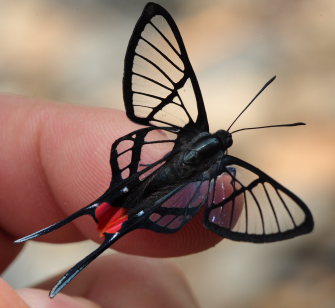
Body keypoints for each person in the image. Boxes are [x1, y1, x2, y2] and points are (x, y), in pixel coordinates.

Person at [0, 96, 224, 307]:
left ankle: (109, 220)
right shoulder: (220, 165)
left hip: (160, 171)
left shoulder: (198, 139)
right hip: (171, 180)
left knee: (118, 208)